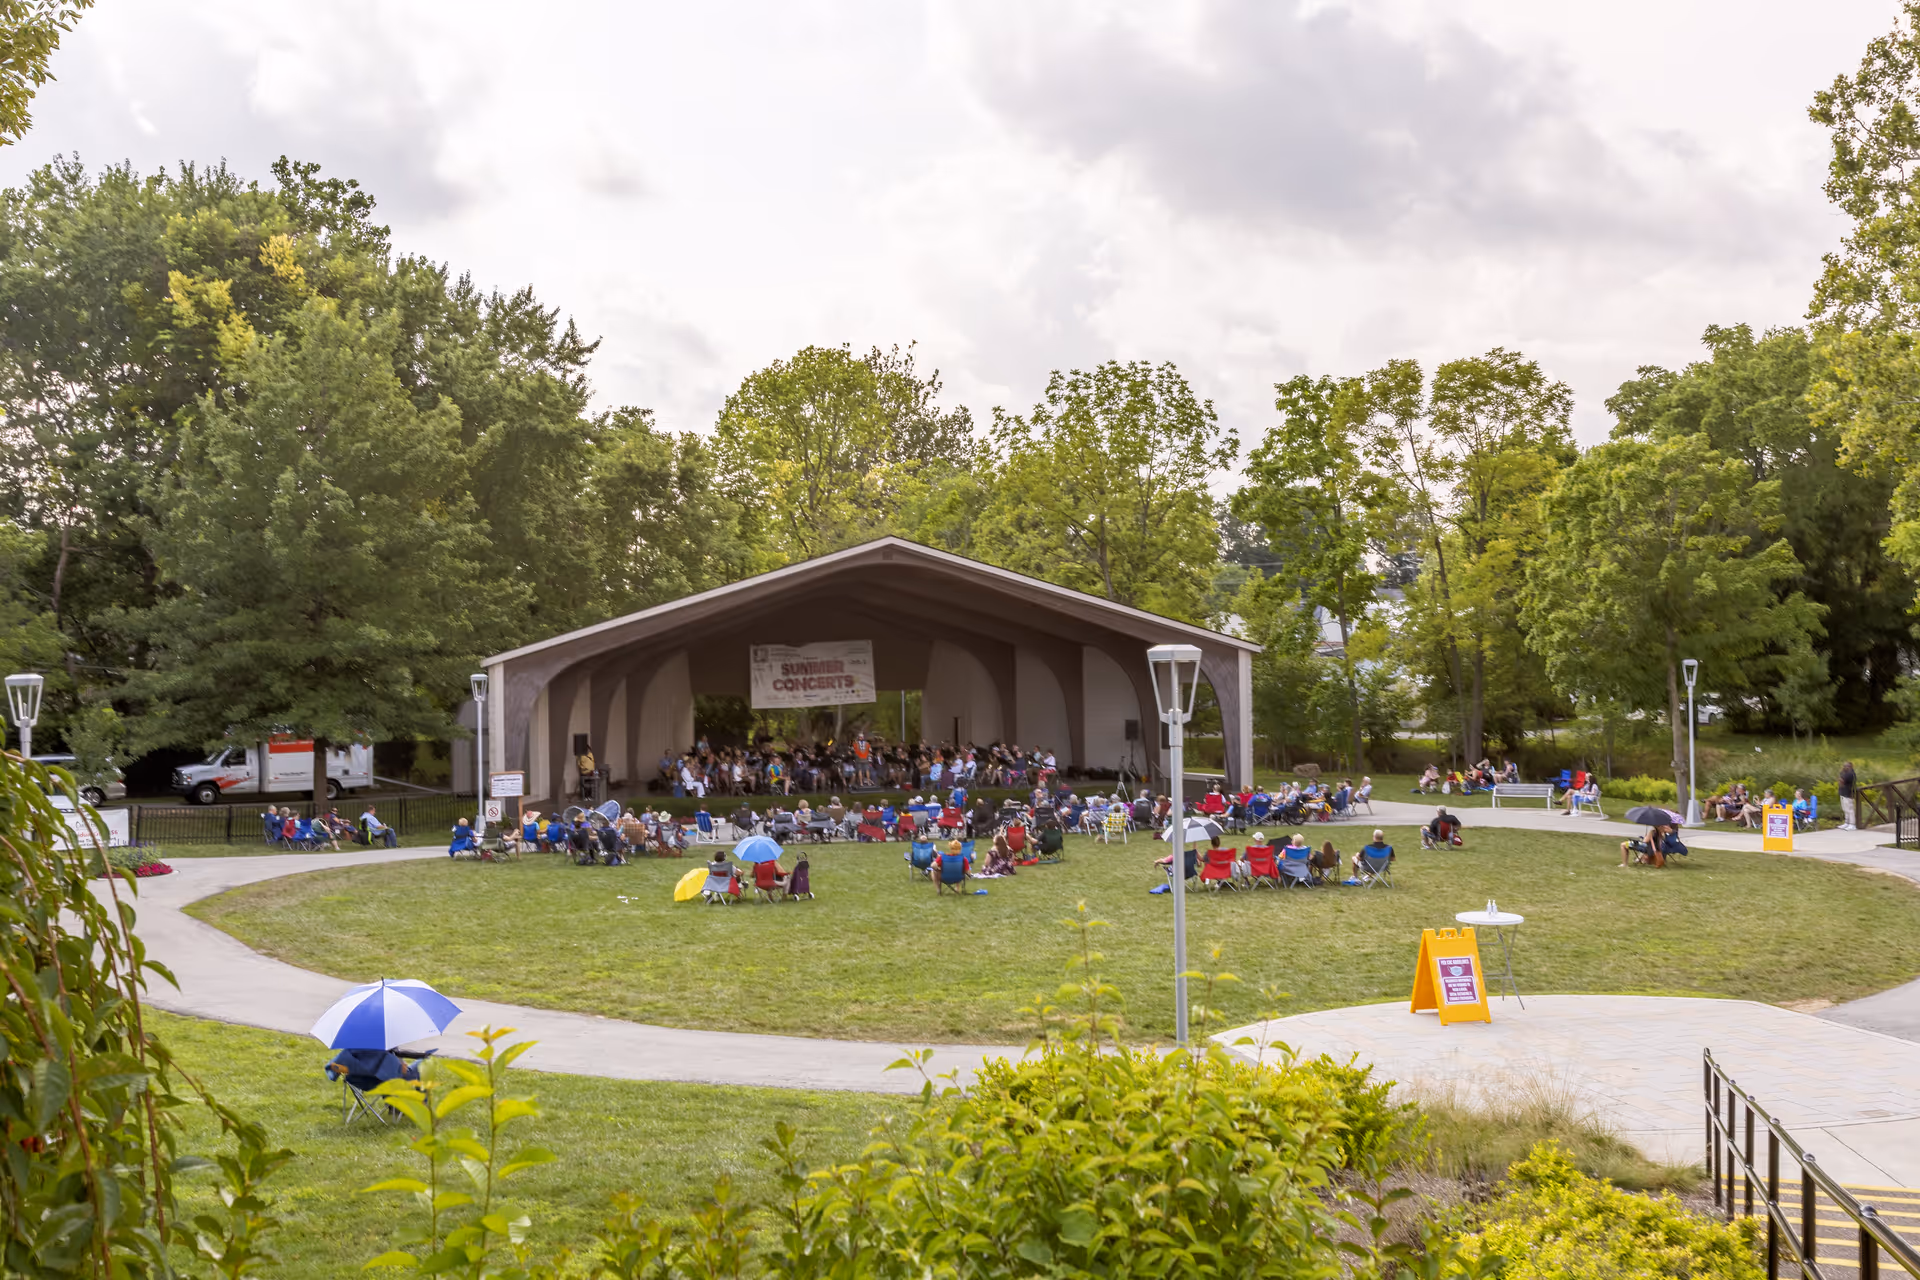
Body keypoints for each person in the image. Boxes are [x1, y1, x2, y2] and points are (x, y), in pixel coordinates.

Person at [1839, 761, 1858, 831]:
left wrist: (1841, 778)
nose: (1845, 767)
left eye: (1847, 766)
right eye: (1844, 766)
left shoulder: (1850, 774)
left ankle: (1852, 824)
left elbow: (1841, 781)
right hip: (1843, 793)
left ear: (1850, 766)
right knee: (1845, 809)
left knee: (1850, 809)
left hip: (1849, 794)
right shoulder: (1845, 773)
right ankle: (1847, 822)